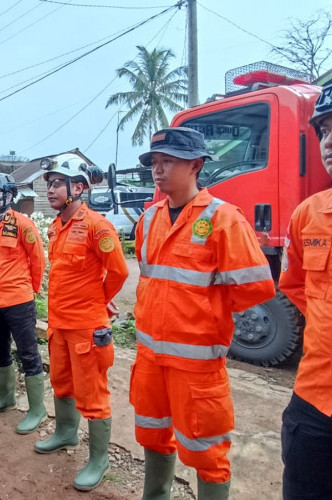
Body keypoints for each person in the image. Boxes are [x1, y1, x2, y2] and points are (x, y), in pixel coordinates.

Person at [131, 128, 276, 500]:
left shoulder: (223, 219)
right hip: (150, 359)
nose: (158, 170)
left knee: (206, 451)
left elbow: (255, 287)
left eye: (169, 162)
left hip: (195, 366)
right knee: (152, 433)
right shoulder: (149, 220)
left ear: (196, 165)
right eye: (155, 163)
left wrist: (201, 313)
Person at [33, 153, 128, 491]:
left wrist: (99, 300)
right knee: (61, 381)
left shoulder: (97, 226)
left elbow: (119, 271)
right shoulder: (56, 227)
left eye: (58, 183)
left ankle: (99, 459)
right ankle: (65, 432)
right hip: (59, 323)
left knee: (93, 393)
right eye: (49, 184)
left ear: (79, 187)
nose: (51, 190)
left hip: (88, 327)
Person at [279, 82, 332, 500]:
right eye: (323, 130)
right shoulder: (307, 216)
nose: (328, 142)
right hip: (315, 400)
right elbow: (295, 285)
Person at [0, 173, 48, 434]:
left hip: (19, 300)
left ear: (9, 196)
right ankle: (4, 397)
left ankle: (37, 409)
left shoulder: (24, 224)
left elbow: (37, 260)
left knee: (28, 353)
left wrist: (32, 290)